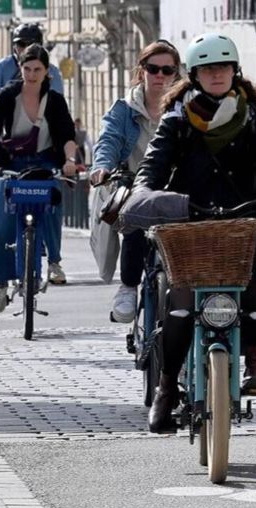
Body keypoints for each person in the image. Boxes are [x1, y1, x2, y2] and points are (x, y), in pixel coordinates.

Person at [119, 33, 256, 433]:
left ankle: (254, 361)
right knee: (180, 300)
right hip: (190, 221)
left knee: (249, 282)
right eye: (208, 68)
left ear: (234, 71)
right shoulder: (177, 119)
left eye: (223, 67)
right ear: (195, 74)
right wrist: (147, 194)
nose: (216, 74)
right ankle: (167, 389)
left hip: (243, 219)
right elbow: (152, 167)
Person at [0, 44, 78, 313]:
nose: (32, 74)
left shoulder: (55, 100)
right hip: (11, 164)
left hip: (45, 162)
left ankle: (54, 261)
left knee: (52, 207)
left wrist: (69, 161)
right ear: (20, 69)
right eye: (27, 69)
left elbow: (68, 135)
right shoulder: (8, 94)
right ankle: (1, 282)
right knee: (0, 224)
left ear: (47, 71)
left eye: (37, 69)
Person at [89, 39, 181, 321]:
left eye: (168, 70)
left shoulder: (186, 106)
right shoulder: (124, 109)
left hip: (175, 186)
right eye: (154, 69)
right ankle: (128, 287)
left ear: (177, 73)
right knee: (134, 219)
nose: (160, 76)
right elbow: (109, 140)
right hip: (134, 185)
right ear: (142, 71)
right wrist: (102, 166)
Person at [0, 22, 65, 122]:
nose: (26, 49)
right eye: (21, 44)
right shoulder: (2, 67)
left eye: (31, 44)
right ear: (14, 46)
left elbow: (58, 106)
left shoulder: (53, 71)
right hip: (6, 128)